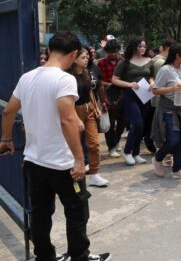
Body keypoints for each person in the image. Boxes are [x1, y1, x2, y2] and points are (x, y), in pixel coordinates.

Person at [0, 31, 111, 261]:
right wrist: (80, 161)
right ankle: (79, 256)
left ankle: (45, 257)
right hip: (63, 165)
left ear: (49, 50)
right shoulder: (64, 79)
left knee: (41, 214)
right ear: (72, 54)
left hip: (34, 161)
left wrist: (6, 139)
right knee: (77, 211)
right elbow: (67, 120)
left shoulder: (27, 78)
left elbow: (9, 111)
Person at [151, 43, 181, 180]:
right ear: (177, 55)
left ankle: (177, 170)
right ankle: (157, 159)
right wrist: (172, 89)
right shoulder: (165, 70)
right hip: (167, 108)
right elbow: (155, 90)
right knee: (172, 140)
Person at [68, 48, 109, 188]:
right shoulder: (68, 76)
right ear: (74, 59)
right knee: (75, 144)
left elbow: (90, 91)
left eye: (87, 57)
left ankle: (95, 174)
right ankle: (72, 174)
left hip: (89, 109)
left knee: (94, 144)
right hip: (74, 110)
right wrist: (75, 117)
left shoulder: (86, 72)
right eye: (83, 57)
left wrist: (96, 107)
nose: (86, 59)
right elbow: (68, 100)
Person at [111, 37, 155, 166]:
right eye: (140, 46)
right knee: (137, 124)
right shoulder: (124, 62)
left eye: (144, 46)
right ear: (134, 47)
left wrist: (152, 83)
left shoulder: (149, 61)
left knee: (141, 125)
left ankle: (136, 153)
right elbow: (114, 79)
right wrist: (129, 84)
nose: (142, 49)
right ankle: (127, 151)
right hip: (130, 96)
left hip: (145, 95)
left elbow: (151, 76)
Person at [97, 39, 126, 158]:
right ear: (106, 52)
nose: (114, 54)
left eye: (116, 52)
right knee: (110, 123)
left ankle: (117, 140)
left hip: (122, 94)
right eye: (111, 52)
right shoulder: (101, 63)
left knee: (123, 122)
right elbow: (99, 81)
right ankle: (111, 147)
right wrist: (109, 84)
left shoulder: (123, 62)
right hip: (107, 94)